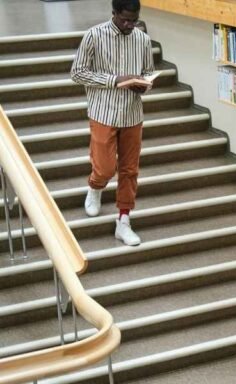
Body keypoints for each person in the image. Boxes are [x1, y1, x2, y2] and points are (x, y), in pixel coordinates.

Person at [71, 0, 154, 246]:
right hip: (103, 113)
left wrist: (144, 85)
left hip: (132, 114)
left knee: (130, 170)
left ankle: (124, 220)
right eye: (125, 19)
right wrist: (116, 80)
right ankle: (95, 187)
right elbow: (78, 72)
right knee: (106, 168)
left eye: (134, 19)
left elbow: (148, 71)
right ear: (114, 13)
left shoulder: (142, 39)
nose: (129, 25)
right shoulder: (94, 36)